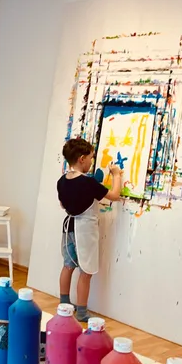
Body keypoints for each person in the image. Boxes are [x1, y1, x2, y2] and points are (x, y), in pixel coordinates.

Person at [57, 138, 122, 322]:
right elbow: (115, 196)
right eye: (92, 158)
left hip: (68, 228)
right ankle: (83, 312)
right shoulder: (88, 183)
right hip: (84, 230)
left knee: (68, 266)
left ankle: (64, 304)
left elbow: (63, 205)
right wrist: (116, 175)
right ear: (82, 159)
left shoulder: (61, 181)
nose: (92, 162)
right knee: (86, 272)